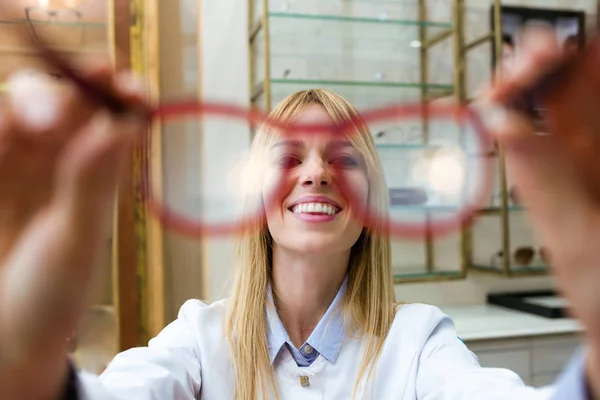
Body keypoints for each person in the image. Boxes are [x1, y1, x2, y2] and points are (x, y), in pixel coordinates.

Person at [1, 30, 600, 400]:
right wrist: (24, 365)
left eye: (345, 160)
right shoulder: (198, 339)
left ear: (370, 215)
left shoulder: (419, 341)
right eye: (289, 157)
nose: (316, 173)